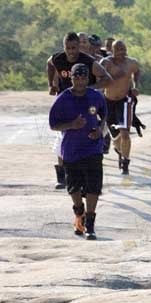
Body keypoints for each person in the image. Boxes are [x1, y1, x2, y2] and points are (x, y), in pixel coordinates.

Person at [49, 63, 107, 240]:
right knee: (73, 188)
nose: (80, 80)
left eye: (83, 77)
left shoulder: (95, 96)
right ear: (71, 78)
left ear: (88, 79)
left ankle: (90, 223)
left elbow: (103, 116)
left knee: (93, 186)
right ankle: (79, 212)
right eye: (77, 77)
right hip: (71, 150)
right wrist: (71, 125)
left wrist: (99, 130)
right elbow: (53, 125)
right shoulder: (63, 99)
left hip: (93, 148)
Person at [46, 31, 112, 189]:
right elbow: (49, 64)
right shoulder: (57, 59)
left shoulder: (88, 62)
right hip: (66, 101)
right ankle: (63, 177)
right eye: (68, 48)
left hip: (86, 102)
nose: (71, 51)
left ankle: (94, 160)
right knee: (63, 137)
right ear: (64, 47)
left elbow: (107, 79)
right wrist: (51, 84)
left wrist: (88, 88)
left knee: (88, 134)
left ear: (78, 47)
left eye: (74, 47)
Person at [100, 40, 141, 175]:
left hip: (125, 100)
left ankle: (125, 162)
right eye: (118, 50)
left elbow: (137, 72)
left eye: (123, 49)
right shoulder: (105, 63)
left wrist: (135, 86)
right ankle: (119, 150)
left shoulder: (131, 63)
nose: (121, 52)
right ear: (111, 51)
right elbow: (98, 79)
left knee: (124, 132)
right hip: (108, 101)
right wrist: (111, 77)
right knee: (115, 135)